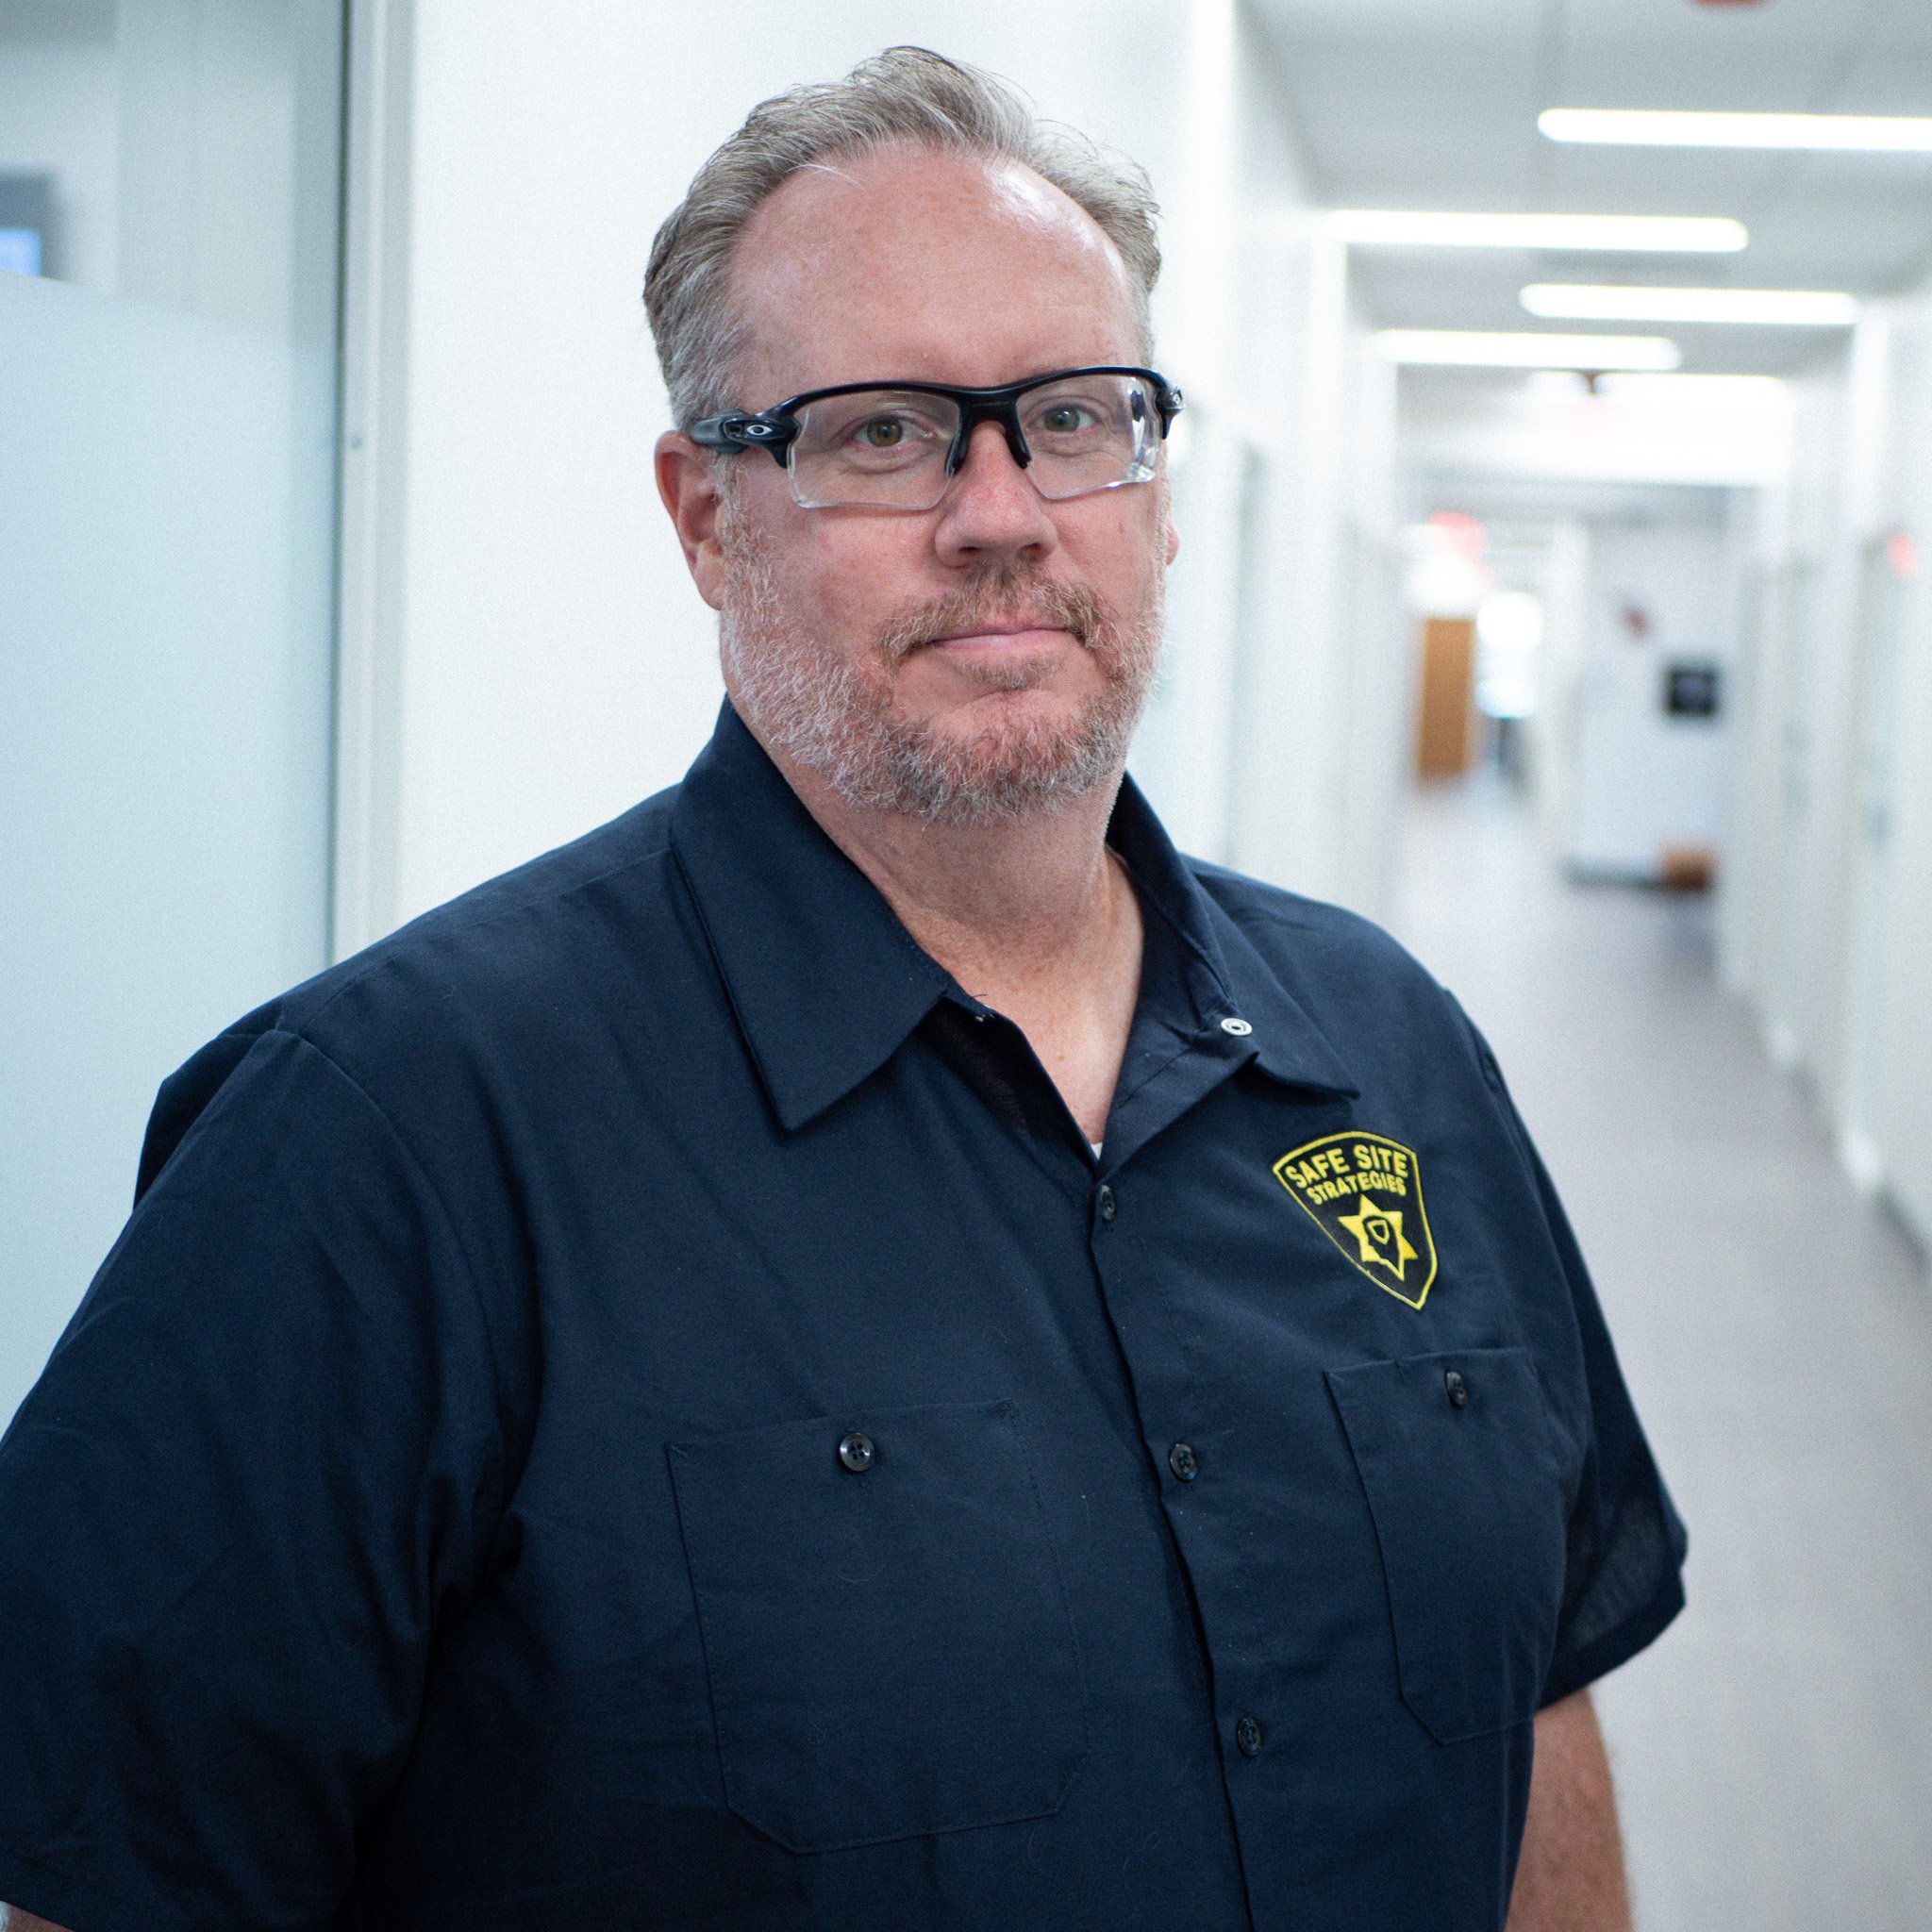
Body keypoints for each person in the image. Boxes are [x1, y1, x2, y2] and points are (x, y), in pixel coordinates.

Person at [0, 46, 1684, 1932]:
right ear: (706, 514)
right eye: (881, 432)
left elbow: (1541, 1698)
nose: (1001, 510)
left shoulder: (1388, 1052)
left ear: (1156, 488)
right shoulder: (383, 1143)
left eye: (1070, 415)